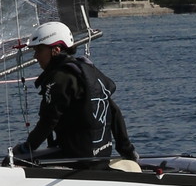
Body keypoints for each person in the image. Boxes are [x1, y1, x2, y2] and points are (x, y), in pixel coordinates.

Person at [10, 20, 143, 172]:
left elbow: (48, 121)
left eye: (39, 50)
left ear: (56, 49)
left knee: (12, 161)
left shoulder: (60, 78)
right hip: (101, 157)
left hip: (77, 159)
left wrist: (27, 147)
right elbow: (113, 111)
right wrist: (127, 150)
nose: (35, 56)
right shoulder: (87, 71)